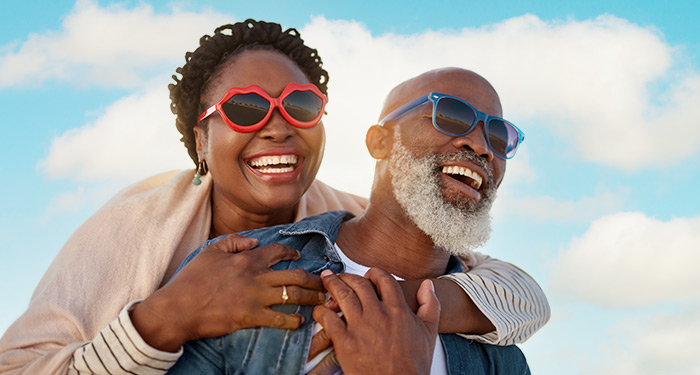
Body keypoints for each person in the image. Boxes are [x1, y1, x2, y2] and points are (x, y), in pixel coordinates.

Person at [0, 20, 548, 375]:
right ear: (201, 140)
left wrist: (399, 304)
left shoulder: (356, 217)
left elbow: (515, 291)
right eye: (245, 108)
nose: (278, 127)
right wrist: (165, 319)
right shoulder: (138, 227)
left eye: (301, 106)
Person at [166, 67, 543, 375]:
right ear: (379, 141)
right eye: (450, 115)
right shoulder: (242, 272)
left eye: (498, 135)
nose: (480, 146)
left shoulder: (500, 353)